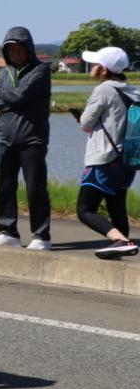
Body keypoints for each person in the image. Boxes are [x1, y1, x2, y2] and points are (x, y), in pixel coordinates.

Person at [0, 26, 52, 250]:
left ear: (28, 49)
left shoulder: (41, 71)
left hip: (32, 139)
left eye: (18, 49)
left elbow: (21, 95)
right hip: (5, 138)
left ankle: (41, 236)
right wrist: (12, 99)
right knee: (4, 186)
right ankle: (8, 232)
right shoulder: (4, 73)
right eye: (10, 50)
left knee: (35, 188)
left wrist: (5, 95)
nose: (15, 54)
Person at [73, 46, 140, 259]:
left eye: (94, 65)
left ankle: (120, 240)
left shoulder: (103, 90)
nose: (91, 68)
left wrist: (82, 116)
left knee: (85, 209)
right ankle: (122, 246)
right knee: (116, 205)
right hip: (127, 160)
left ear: (103, 70)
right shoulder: (133, 90)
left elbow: (85, 124)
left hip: (104, 158)